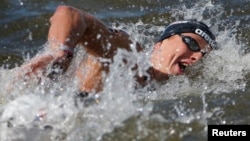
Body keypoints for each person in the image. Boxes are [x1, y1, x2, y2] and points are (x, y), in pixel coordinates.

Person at [17, 5, 217, 96]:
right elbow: (68, 13)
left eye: (203, 54)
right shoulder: (130, 56)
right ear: (159, 44)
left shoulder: (167, 92)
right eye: (192, 44)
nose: (198, 56)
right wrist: (61, 54)